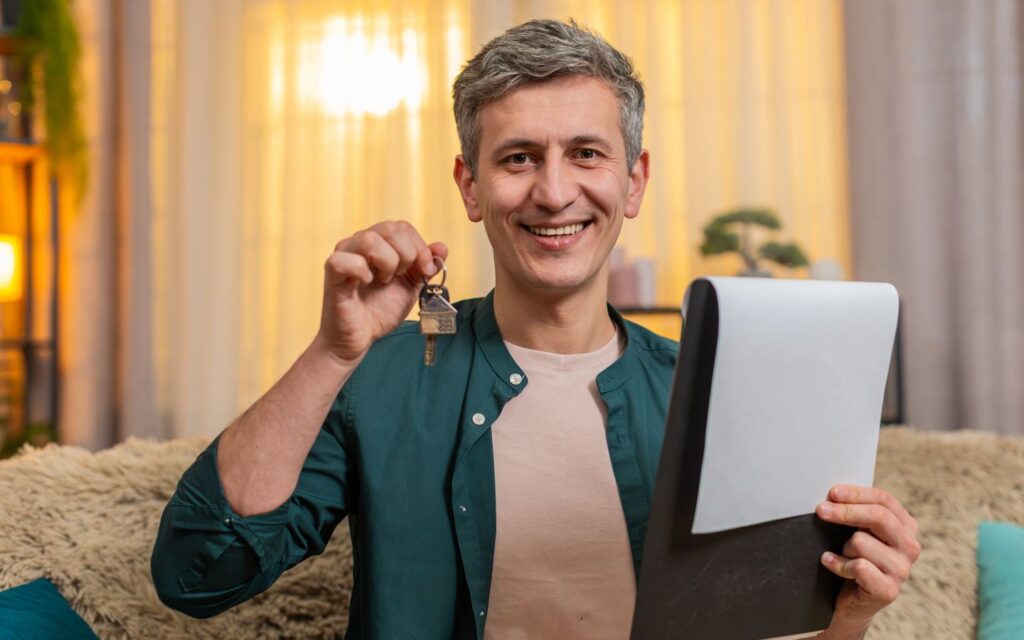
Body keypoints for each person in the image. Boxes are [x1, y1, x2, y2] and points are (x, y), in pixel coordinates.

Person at [151, 19, 920, 640]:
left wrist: (847, 619)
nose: (554, 192)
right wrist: (331, 352)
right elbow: (198, 574)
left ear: (634, 182)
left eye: (586, 153)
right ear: (471, 187)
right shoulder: (380, 378)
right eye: (519, 158)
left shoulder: (712, 396)